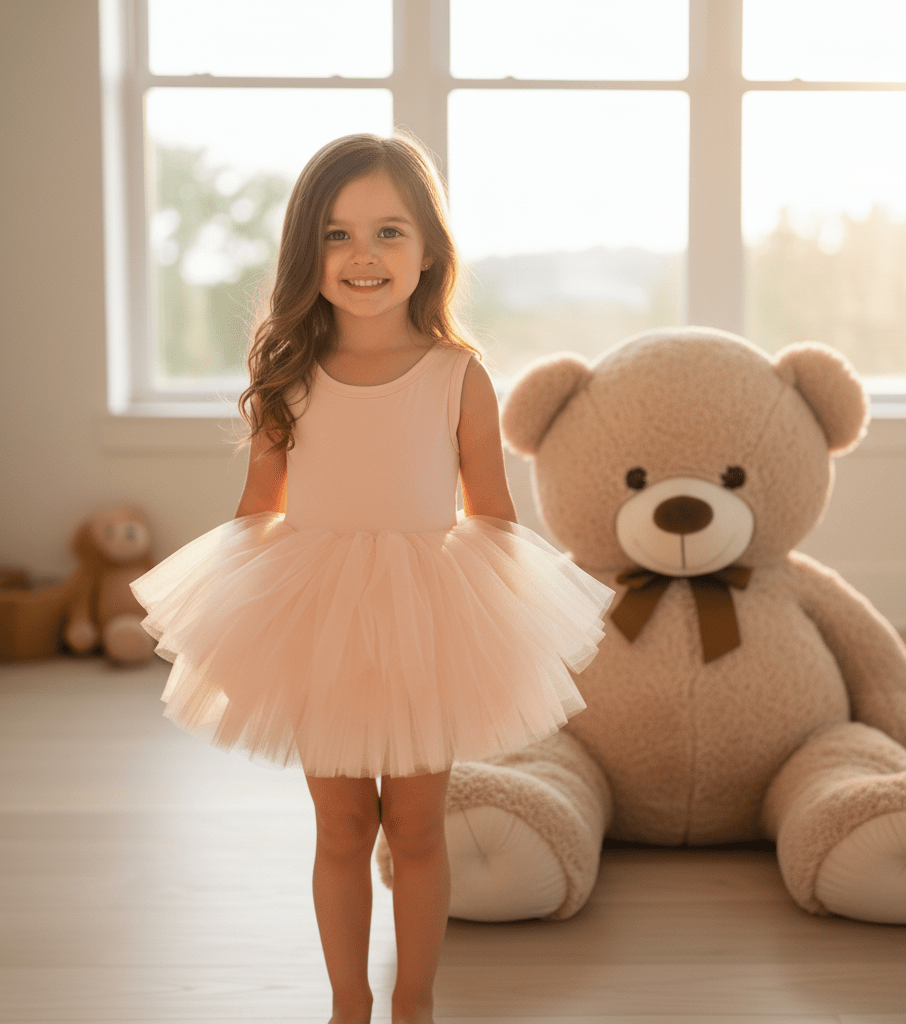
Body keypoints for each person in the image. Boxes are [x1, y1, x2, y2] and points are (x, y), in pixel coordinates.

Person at [131, 132, 614, 1024]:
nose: (363, 256)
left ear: (430, 252)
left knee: (420, 830)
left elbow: (494, 515)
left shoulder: (457, 375)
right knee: (343, 828)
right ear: (305, 252)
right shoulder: (288, 375)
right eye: (337, 234)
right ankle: (347, 1005)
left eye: (389, 232)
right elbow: (257, 510)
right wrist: (236, 626)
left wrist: (502, 627)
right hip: (317, 618)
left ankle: (415, 1004)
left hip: (426, 620)